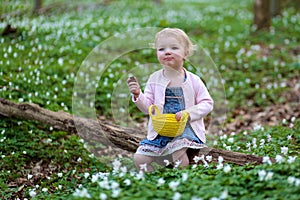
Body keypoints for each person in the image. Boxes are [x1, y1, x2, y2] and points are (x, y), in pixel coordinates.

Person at [127, 28, 213, 172]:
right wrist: (138, 95)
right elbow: (149, 108)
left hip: (185, 130)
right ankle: (154, 185)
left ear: (186, 53)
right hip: (161, 130)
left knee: (178, 153)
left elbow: (207, 103)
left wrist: (188, 113)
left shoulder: (193, 80)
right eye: (161, 49)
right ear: (156, 54)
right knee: (139, 159)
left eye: (174, 48)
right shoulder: (154, 79)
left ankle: (181, 180)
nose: (167, 51)